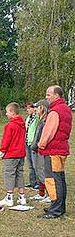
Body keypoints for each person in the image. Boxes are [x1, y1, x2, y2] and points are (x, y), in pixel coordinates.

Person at [37, 85, 72, 219]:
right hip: (61, 148)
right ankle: (58, 206)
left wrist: (41, 145)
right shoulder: (66, 109)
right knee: (60, 178)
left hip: (53, 150)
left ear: (57, 95)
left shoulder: (55, 111)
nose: (46, 97)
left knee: (52, 179)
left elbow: (49, 132)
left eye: (48, 94)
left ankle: (55, 209)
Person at [0, 102, 27, 207]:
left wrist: (2, 151)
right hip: (21, 154)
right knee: (19, 174)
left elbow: (6, 140)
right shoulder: (22, 124)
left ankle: (9, 197)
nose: (6, 114)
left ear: (12, 112)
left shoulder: (10, 125)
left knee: (9, 174)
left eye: (7, 112)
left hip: (12, 154)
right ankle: (22, 197)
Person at [29, 99, 50, 202]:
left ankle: (50, 194)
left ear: (42, 108)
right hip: (36, 148)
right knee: (37, 170)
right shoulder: (40, 120)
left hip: (41, 149)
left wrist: (37, 145)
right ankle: (41, 193)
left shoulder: (46, 121)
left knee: (43, 171)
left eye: (37, 107)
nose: (35, 109)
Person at [24, 102, 39, 189]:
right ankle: (32, 181)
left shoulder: (36, 118)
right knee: (30, 164)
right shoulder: (28, 118)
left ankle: (38, 182)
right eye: (27, 108)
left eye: (29, 108)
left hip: (33, 143)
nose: (28, 110)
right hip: (27, 142)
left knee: (35, 163)